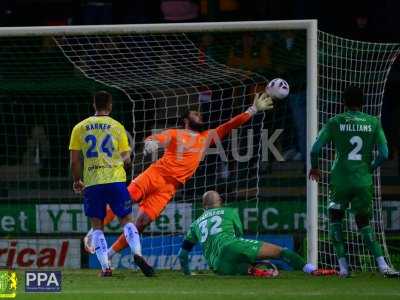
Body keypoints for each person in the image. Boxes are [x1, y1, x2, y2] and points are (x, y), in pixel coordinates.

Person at [85, 92, 274, 260]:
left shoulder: (206, 137)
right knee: (122, 203)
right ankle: (93, 233)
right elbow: (159, 138)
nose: (199, 115)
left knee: (141, 224)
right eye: (195, 113)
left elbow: (229, 125)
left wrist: (252, 110)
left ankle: (109, 255)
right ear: (186, 119)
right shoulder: (176, 133)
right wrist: (152, 142)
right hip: (154, 175)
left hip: (169, 189)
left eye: (200, 113)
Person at [308, 86, 400, 278]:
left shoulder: (335, 121)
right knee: (364, 223)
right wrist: (370, 168)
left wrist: (315, 167)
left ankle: (343, 268)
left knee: (335, 220)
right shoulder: (373, 122)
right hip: (363, 180)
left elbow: (315, 149)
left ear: (344, 101)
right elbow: (384, 154)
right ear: (363, 102)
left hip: (340, 180)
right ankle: (383, 266)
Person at [69, 91, 153, 277]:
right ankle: (137, 253)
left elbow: (75, 161)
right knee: (126, 221)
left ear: (94, 104)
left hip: (93, 183)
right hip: (115, 181)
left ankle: (106, 267)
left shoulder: (79, 128)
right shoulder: (117, 127)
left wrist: (77, 180)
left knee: (98, 226)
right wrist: (126, 159)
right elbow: (127, 159)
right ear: (110, 105)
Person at [178, 190, 325, 277]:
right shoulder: (229, 212)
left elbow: (182, 256)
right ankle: (311, 270)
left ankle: (252, 270)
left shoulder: (195, 224)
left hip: (217, 266)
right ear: (220, 201)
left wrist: (188, 274)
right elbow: (238, 235)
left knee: (245, 268)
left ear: (204, 205)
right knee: (281, 252)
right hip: (231, 246)